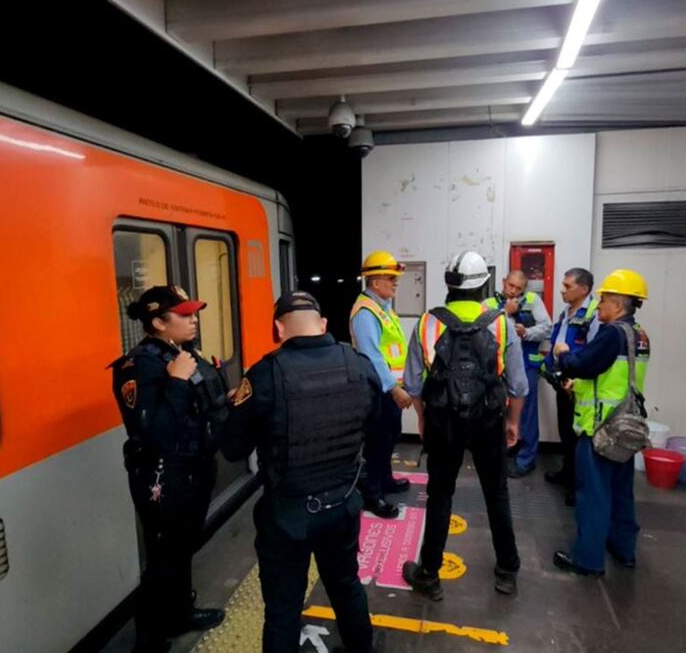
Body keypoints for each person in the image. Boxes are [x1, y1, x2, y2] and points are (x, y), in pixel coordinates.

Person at [220, 291, 378, 653]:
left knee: (283, 609)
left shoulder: (263, 374)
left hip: (287, 516)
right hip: (343, 503)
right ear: (323, 324)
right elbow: (372, 419)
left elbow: (233, 448)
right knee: (346, 586)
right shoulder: (358, 364)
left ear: (279, 328)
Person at [400, 251, 528, 601]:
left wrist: (424, 420)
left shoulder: (428, 322)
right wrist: (512, 422)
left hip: (444, 422)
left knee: (440, 495)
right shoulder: (500, 322)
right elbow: (518, 384)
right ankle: (507, 571)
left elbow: (413, 384)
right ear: (484, 284)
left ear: (449, 285)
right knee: (496, 493)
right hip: (489, 421)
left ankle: (429, 575)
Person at [110, 285, 228, 652]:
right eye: (184, 315)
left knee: (182, 548)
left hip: (194, 469)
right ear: (159, 322)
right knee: (163, 558)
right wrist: (176, 382)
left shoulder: (183, 353)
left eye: (194, 313)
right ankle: (148, 639)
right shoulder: (139, 364)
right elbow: (153, 430)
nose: (194, 320)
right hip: (163, 474)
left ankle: (179, 613)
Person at [550, 269, 651, 577]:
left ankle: (588, 560)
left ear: (618, 305)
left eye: (603, 300)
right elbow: (612, 380)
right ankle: (624, 550)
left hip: (600, 430)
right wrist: (579, 385)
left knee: (593, 493)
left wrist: (564, 354)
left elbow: (582, 364)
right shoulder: (640, 335)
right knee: (622, 492)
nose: (599, 306)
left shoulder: (611, 334)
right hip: (627, 426)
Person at [349, 250, 411, 519]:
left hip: (388, 390)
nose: (395, 283)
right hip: (378, 391)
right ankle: (373, 497)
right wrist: (394, 388)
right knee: (377, 444)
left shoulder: (382, 308)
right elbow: (372, 355)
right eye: (391, 278)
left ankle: (385, 480)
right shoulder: (365, 312)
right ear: (375, 283)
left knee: (387, 440)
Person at [541, 268, 600, 505]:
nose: (562, 290)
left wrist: (576, 381)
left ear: (584, 289)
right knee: (565, 431)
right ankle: (567, 473)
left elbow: (594, 354)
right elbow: (557, 343)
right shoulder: (566, 313)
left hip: (580, 385)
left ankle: (579, 485)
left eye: (568, 286)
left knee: (579, 438)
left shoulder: (594, 315)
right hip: (563, 381)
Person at [486, 270, 552, 478]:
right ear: (504, 282)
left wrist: (527, 332)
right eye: (510, 286)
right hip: (498, 368)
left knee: (527, 414)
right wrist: (505, 312)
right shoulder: (488, 304)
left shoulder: (533, 301)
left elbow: (548, 329)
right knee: (499, 412)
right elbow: (484, 329)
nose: (513, 291)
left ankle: (526, 459)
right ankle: (504, 451)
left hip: (526, 366)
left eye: (518, 288)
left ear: (524, 289)